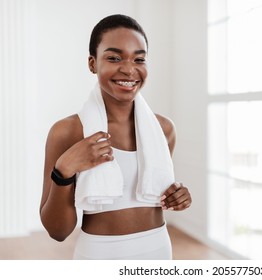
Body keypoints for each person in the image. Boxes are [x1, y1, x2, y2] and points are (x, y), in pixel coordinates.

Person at [39, 14, 192, 260]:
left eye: (139, 58)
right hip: (100, 254)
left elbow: (156, 187)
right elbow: (57, 231)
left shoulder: (163, 129)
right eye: (114, 57)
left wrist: (178, 194)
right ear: (92, 63)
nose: (129, 69)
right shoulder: (68, 131)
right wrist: (64, 169)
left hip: (158, 251)